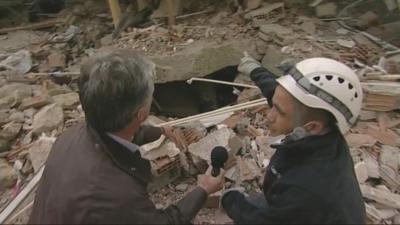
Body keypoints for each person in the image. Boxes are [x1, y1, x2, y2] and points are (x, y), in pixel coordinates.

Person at [29, 50, 225, 224]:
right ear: (142, 114)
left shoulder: (71, 137)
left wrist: (162, 131)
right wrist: (203, 190)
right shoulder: (117, 195)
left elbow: (124, 137)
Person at [221, 53, 366, 224]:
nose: (268, 117)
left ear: (312, 126)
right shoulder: (324, 132)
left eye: (279, 112)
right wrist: (256, 71)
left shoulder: (306, 189)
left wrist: (231, 201)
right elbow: (283, 100)